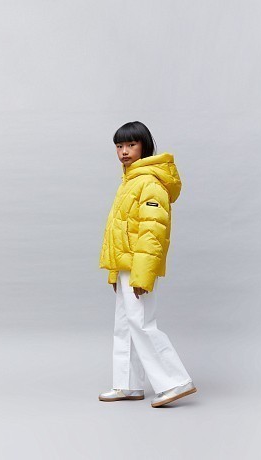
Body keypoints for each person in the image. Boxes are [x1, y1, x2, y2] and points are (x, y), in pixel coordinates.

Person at [98, 121, 197, 408]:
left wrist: (143, 275)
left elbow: (153, 232)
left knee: (141, 323)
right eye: (119, 146)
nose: (124, 151)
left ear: (145, 146)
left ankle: (175, 381)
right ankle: (128, 384)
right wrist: (115, 271)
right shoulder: (129, 181)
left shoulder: (150, 182)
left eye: (131, 145)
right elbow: (121, 232)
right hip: (126, 266)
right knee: (125, 325)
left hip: (138, 267)